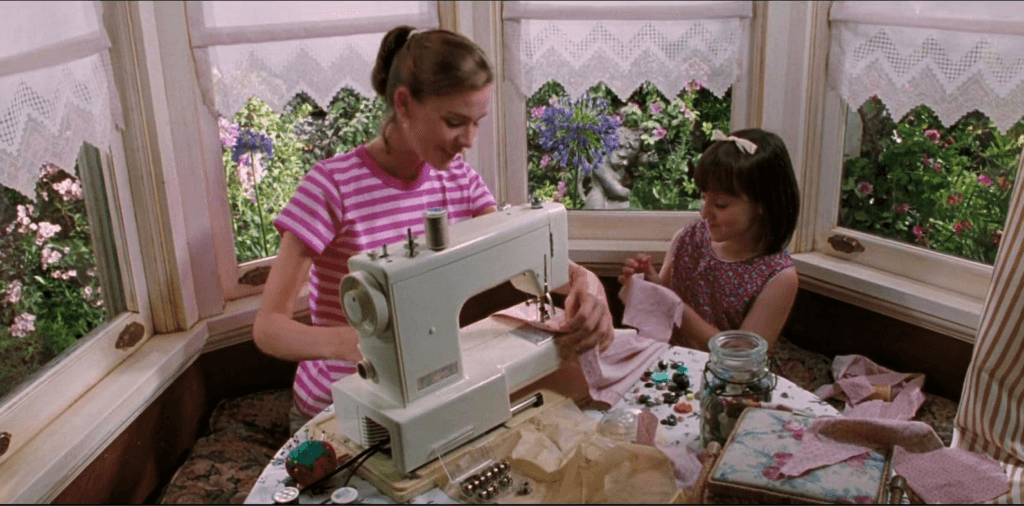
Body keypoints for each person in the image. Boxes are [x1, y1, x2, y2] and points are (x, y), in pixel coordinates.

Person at [253, 26, 614, 431]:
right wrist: (365, 344)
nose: (469, 140)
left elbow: (516, 253)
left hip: (426, 395)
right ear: (404, 104)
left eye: (477, 122)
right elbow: (269, 328)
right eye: (455, 121)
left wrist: (586, 281)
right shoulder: (330, 187)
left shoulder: (457, 178)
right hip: (339, 406)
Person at [618, 128, 800, 351]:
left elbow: (740, 355)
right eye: (703, 198)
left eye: (720, 205)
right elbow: (666, 303)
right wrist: (650, 285)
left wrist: (678, 310)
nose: (705, 213)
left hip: (729, 379)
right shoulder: (688, 238)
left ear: (762, 203)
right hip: (674, 365)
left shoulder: (779, 276)